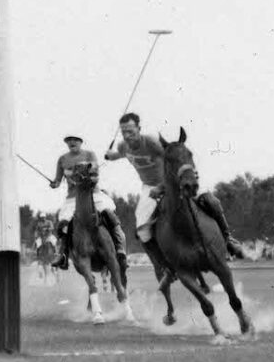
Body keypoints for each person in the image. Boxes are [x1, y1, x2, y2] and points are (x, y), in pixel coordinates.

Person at [104, 112, 246, 261]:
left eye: (131, 131)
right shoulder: (123, 146)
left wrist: (171, 181)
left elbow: (175, 156)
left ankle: (228, 240)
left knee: (212, 202)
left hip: (174, 182)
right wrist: (109, 156)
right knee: (142, 229)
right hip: (148, 188)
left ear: (139, 129)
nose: (127, 135)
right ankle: (163, 261)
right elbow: (118, 155)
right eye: (124, 132)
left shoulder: (151, 143)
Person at [49, 133, 127, 270]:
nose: (71, 142)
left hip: (93, 194)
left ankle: (120, 249)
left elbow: (95, 176)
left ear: (80, 141)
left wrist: (86, 180)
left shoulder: (90, 155)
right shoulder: (62, 159)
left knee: (109, 214)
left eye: (75, 140)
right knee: (63, 223)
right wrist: (54, 184)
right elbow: (58, 180)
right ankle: (63, 255)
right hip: (72, 199)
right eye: (68, 140)